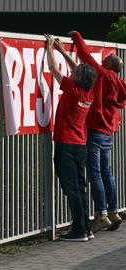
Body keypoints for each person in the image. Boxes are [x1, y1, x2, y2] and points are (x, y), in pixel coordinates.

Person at [69, 31, 126, 232]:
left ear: (110, 65)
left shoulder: (101, 74)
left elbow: (85, 56)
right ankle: (113, 211)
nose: (105, 57)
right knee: (107, 172)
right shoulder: (120, 83)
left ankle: (101, 214)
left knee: (95, 173)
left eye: (108, 58)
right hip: (108, 132)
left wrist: (76, 36)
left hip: (94, 131)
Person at [45, 34, 98, 241]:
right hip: (80, 145)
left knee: (71, 188)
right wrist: (63, 51)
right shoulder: (88, 93)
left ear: (78, 79)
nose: (73, 73)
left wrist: (50, 48)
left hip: (66, 145)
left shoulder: (73, 90)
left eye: (76, 74)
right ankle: (86, 227)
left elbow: (53, 70)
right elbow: (79, 70)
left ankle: (79, 230)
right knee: (81, 187)